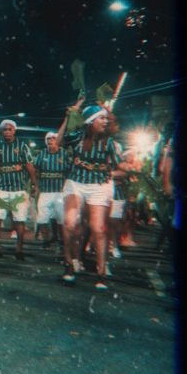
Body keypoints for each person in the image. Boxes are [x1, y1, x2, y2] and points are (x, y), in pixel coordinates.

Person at [55, 100, 125, 290]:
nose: (104, 122)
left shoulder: (108, 142)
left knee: (98, 228)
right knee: (69, 223)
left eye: (105, 118)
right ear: (90, 121)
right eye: (100, 118)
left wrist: (119, 171)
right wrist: (68, 116)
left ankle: (101, 272)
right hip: (75, 183)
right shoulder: (78, 136)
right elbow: (58, 143)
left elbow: (121, 169)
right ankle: (69, 264)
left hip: (99, 186)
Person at [0, 119, 37, 268]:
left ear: (14, 130)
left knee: (19, 220)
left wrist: (34, 184)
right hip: (1, 189)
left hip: (18, 189)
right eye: (5, 130)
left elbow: (29, 166)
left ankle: (19, 249)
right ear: (2, 132)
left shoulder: (22, 147)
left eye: (10, 129)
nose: (7, 132)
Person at [32, 132, 69, 252]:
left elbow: (70, 171)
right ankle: (46, 240)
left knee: (61, 220)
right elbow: (35, 171)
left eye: (53, 138)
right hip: (45, 192)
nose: (50, 141)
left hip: (60, 192)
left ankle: (62, 242)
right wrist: (35, 186)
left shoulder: (65, 154)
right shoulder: (41, 154)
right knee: (42, 219)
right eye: (48, 139)